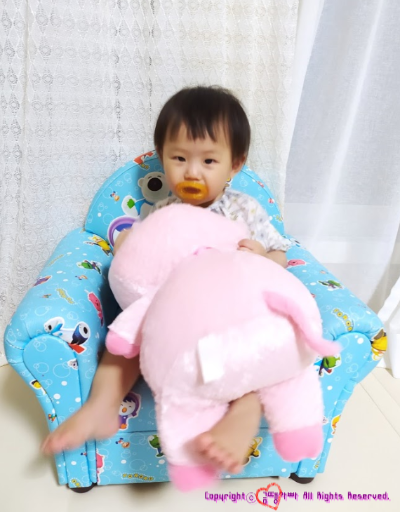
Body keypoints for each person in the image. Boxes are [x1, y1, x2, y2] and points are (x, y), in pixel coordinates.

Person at [42, 85, 290, 475]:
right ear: (162, 158)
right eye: (179, 158)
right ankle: (102, 406)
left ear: (235, 164)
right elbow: (144, 263)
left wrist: (261, 257)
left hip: (225, 316)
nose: (192, 171)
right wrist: (127, 244)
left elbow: (281, 256)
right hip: (174, 320)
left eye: (209, 160)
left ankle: (243, 415)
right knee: (125, 342)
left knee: (257, 353)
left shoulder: (245, 210)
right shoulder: (164, 211)